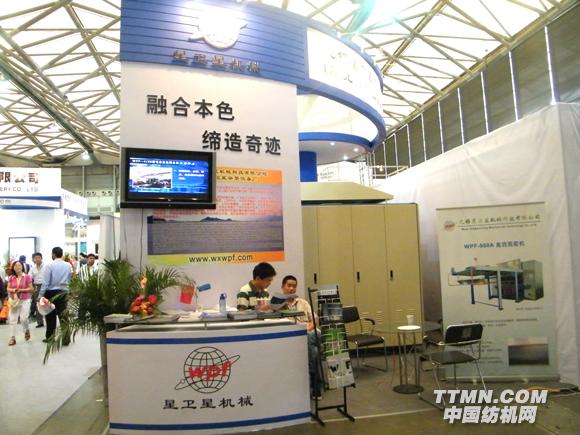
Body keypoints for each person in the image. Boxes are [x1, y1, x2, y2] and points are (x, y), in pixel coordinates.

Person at [278, 275, 322, 398]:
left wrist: (306, 329)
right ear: (282, 287)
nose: (291, 288)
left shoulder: (303, 302)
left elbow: (314, 320)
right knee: (313, 350)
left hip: (308, 332)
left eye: (294, 286)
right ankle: (315, 383)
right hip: (291, 335)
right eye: (289, 286)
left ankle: (313, 383)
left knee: (309, 339)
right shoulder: (278, 304)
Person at [40, 247, 73, 344]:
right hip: (63, 292)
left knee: (50, 316)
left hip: (51, 293)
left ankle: (50, 338)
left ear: (53, 254)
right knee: (63, 316)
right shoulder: (68, 265)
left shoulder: (49, 265)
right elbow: (69, 278)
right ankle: (66, 339)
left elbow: (46, 282)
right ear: (61, 254)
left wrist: (40, 295)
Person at [7, 260, 34, 346]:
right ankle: (12, 338)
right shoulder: (11, 278)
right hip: (14, 300)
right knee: (12, 319)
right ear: (13, 268)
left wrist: (21, 290)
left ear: (22, 267)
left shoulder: (27, 277)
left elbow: (31, 289)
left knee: (23, 319)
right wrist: (13, 290)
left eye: (19, 265)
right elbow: (8, 288)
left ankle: (26, 330)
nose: (17, 267)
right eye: (15, 266)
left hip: (25, 300)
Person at [29, 252, 45, 328]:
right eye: (35, 258)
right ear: (33, 259)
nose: (37, 259)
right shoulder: (32, 268)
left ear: (41, 258)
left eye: (39, 257)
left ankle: (49, 320)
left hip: (45, 286)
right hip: (36, 286)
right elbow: (29, 278)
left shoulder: (46, 266)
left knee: (46, 303)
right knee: (37, 303)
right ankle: (40, 322)